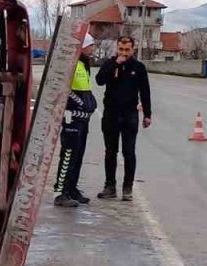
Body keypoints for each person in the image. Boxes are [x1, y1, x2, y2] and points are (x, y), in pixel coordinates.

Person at [94, 35, 152, 202]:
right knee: (110, 152)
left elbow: (145, 92)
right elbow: (99, 80)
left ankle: (128, 188)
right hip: (111, 114)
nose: (124, 53)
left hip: (130, 115)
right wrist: (115, 64)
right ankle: (109, 186)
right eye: (121, 49)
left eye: (127, 50)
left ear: (132, 49)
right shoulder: (109, 64)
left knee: (129, 152)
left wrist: (147, 114)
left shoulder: (138, 68)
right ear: (117, 48)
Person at [54, 36, 98, 208]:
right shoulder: (71, 64)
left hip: (82, 119)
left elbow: (85, 90)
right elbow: (64, 89)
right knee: (68, 154)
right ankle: (60, 191)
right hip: (72, 118)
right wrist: (80, 104)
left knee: (78, 155)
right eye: (90, 45)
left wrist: (90, 103)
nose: (93, 49)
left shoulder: (84, 65)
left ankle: (72, 188)